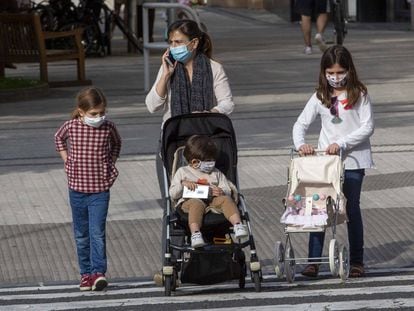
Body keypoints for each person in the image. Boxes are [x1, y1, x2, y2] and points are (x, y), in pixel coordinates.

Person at [145, 19, 234, 285]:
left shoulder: (214, 68)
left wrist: (209, 114)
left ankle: (213, 257)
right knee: (171, 207)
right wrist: (165, 74)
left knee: (214, 199)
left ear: (193, 43)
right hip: (175, 148)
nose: (174, 47)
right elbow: (152, 105)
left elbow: (227, 103)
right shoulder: (170, 69)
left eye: (179, 42)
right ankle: (170, 262)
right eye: (171, 43)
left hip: (206, 147)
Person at [292, 45, 374, 278]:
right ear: (324, 72)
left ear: (349, 70)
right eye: (331, 73)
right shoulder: (320, 96)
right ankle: (314, 261)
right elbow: (300, 124)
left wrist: (344, 143)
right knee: (318, 207)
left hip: (353, 161)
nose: (335, 78)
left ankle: (357, 261)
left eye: (340, 72)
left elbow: (368, 126)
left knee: (351, 209)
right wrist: (301, 145)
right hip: (325, 163)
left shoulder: (360, 94)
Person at [54, 87, 122, 291]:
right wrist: (67, 161)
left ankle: (98, 273)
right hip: (77, 189)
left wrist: (110, 162)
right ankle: (85, 275)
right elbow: (58, 138)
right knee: (81, 234)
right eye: (94, 114)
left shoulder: (108, 127)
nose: (98, 117)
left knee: (97, 233)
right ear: (81, 111)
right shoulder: (71, 126)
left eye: (102, 113)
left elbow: (117, 143)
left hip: (100, 190)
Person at [169, 135, 248, 248]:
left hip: (213, 202)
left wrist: (221, 191)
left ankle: (238, 225)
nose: (211, 163)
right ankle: (195, 234)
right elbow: (173, 194)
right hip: (190, 202)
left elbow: (227, 188)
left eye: (212, 160)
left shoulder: (216, 173)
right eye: (208, 161)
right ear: (195, 162)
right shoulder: (183, 172)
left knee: (226, 199)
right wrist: (183, 184)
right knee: (196, 203)